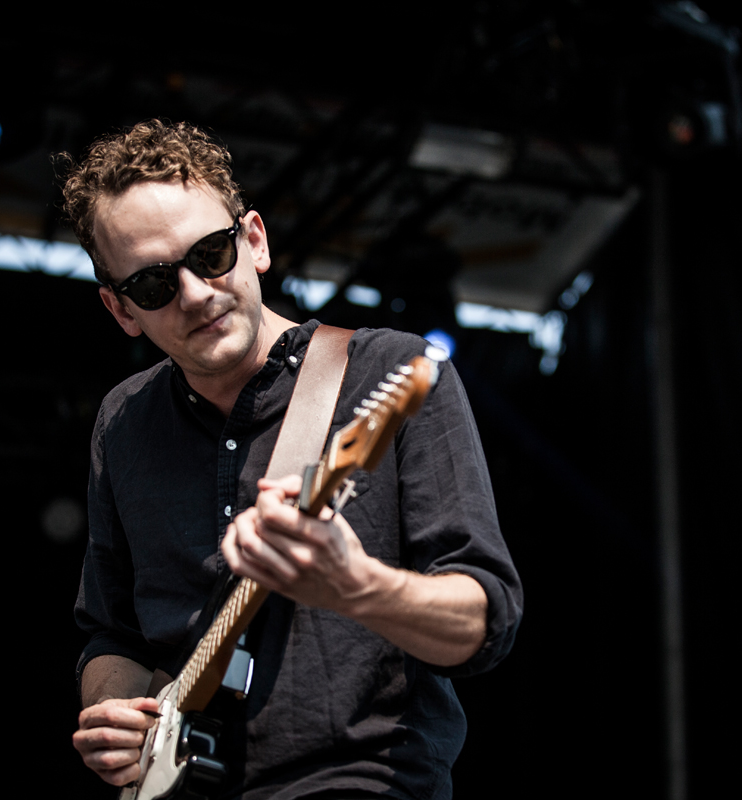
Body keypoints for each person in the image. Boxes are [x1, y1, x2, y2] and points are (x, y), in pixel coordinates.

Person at [63, 120, 522, 799]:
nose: (194, 294)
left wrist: (360, 586)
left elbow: (485, 623)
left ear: (254, 241)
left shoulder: (389, 370)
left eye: (212, 254)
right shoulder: (122, 422)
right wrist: (117, 714)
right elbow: (112, 632)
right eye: (156, 285)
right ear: (120, 309)